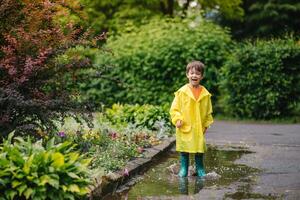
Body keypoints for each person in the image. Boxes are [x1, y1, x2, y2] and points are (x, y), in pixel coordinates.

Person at [170, 60, 213, 177]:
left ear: (201, 76)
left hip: (198, 126)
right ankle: (184, 168)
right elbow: (175, 108)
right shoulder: (182, 92)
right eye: (192, 73)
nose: (194, 75)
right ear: (187, 75)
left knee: (199, 148)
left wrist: (206, 125)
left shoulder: (205, 94)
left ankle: (200, 168)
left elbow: (208, 111)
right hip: (185, 125)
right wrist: (177, 119)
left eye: (197, 74)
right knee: (185, 148)